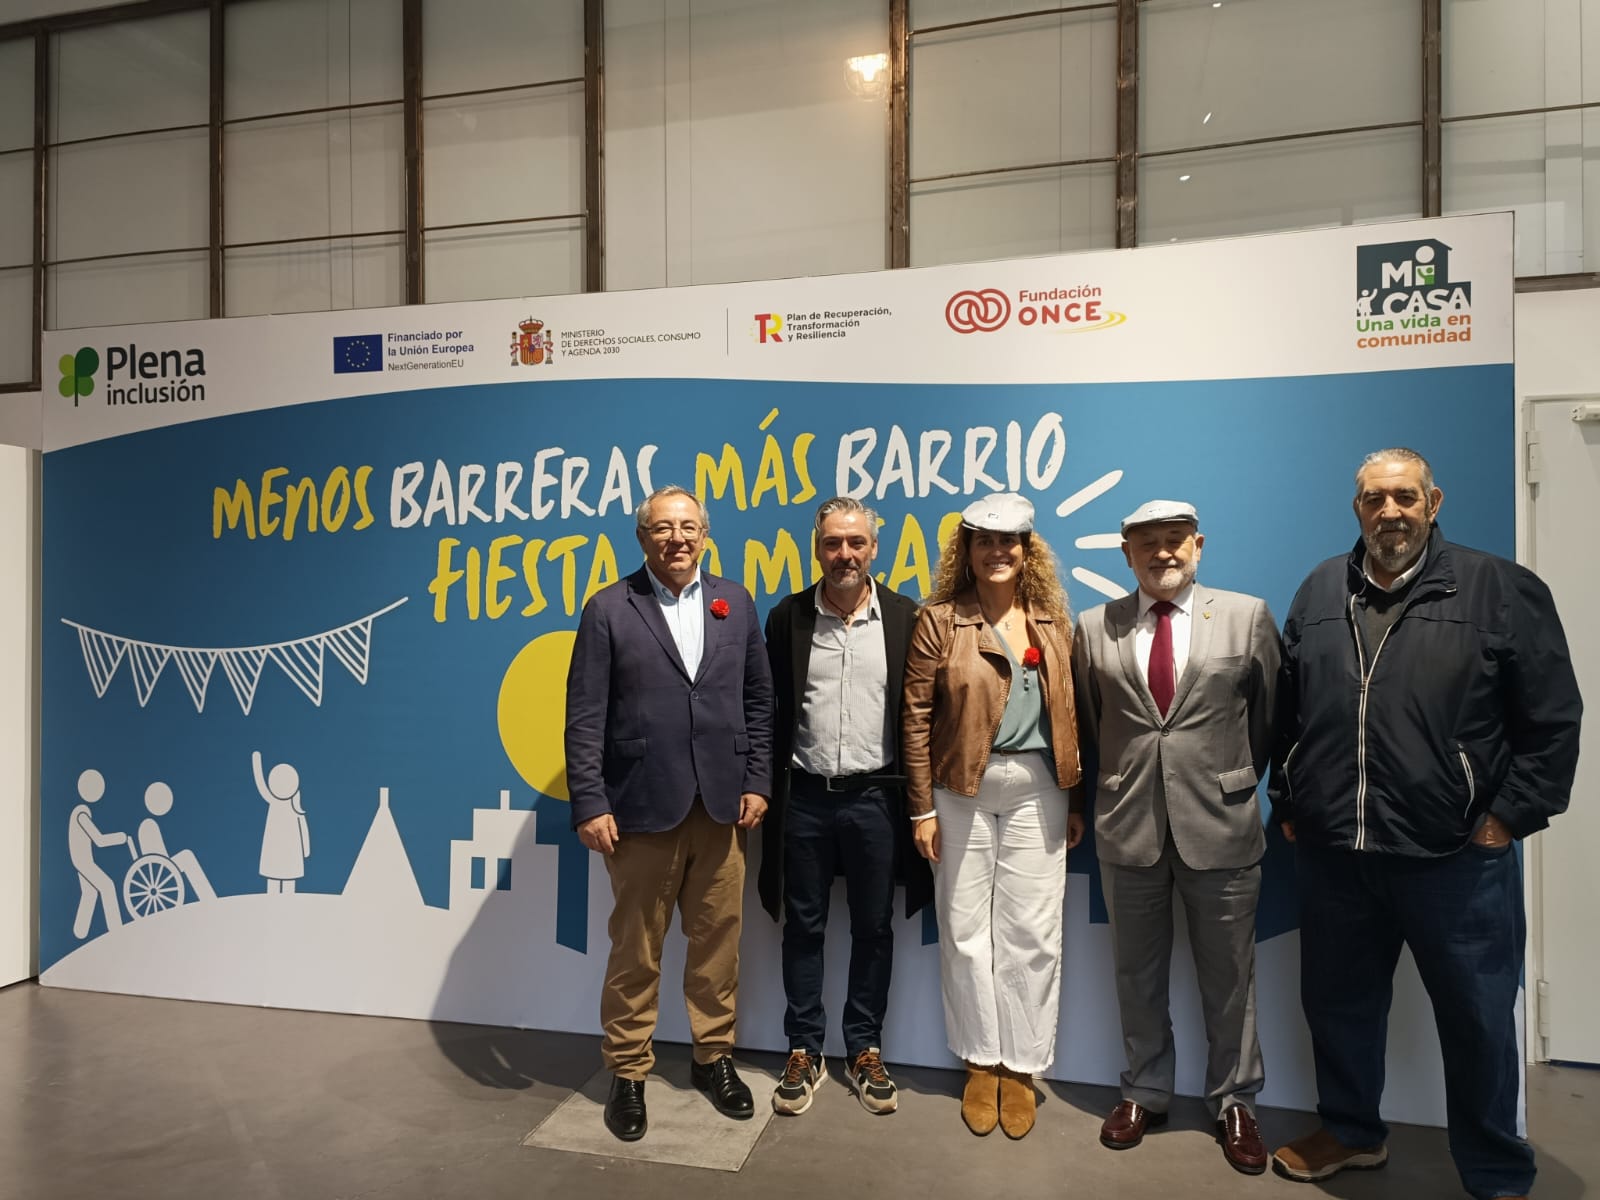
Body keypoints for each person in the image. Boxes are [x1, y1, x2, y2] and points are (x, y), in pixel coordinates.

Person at [1269, 448, 1582, 1200]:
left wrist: (1508, 816)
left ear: (1433, 501)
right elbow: (1286, 712)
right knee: (1338, 1008)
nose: (1390, 513)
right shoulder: (1319, 590)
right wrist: (1289, 801)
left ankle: (1497, 1170)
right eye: (1375, 499)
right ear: (1357, 509)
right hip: (1339, 856)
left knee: (1477, 1022)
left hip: (1457, 861)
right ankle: (1351, 1133)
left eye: (1405, 497)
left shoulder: (1499, 588)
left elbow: (1553, 718)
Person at [1071, 500, 1279, 1175]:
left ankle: (1236, 1101)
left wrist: (1232, 778)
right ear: (1126, 555)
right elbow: (1092, 720)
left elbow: (1271, 716)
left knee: (1231, 977)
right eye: (1146, 544)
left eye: (1174, 541)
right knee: (1136, 973)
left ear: (1198, 546)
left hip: (1221, 827)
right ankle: (1145, 1091)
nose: (1162, 553)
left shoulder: (1246, 616)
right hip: (1128, 828)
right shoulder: (1094, 627)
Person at [565, 484, 775, 1143]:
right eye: (662, 528)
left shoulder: (735, 602)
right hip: (639, 810)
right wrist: (591, 800)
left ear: (705, 534)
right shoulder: (608, 609)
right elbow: (584, 716)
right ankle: (628, 1073)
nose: (676, 538)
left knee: (718, 946)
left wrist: (758, 780)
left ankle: (714, 1059)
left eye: (687, 526)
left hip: (721, 808)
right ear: (642, 538)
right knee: (637, 949)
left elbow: (759, 702)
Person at [901, 492, 1083, 1140]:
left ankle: (1022, 1066)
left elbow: (1074, 715)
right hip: (959, 787)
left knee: (1033, 932)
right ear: (967, 552)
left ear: (1027, 552)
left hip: (1040, 787)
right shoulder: (939, 620)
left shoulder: (1055, 622)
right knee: (964, 926)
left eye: (1011, 543)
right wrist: (921, 807)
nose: (998, 552)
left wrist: (1075, 798)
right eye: (985, 541)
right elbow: (916, 717)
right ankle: (981, 1060)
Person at [760, 496, 932, 1117]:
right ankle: (804, 1049)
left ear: (874, 549)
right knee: (802, 928)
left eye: (856, 543)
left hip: (876, 801)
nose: (845, 555)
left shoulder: (908, 617)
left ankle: (864, 1048)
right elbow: (767, 712)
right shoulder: (788, 618)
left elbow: (923, 716)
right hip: (804, 799)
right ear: (817, 547)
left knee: (874, 928)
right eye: (833, 543)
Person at [69, 768, 133, 939]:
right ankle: (117, 932)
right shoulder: (82, 814)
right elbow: (99, 840)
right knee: (107, 886)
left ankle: (79, 933)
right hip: (83, 861)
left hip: (82, 860)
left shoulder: (81, 811)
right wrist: (121, 837)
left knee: (90, 893)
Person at [253, 751, 309, 894]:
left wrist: (306, 850)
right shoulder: (275, 803)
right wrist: (256, 762)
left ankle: (287, 907)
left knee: (289, 884)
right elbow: (261, 785)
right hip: (275, 852)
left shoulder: (294, 807)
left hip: (290, 853)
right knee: (273, 882)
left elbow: (303, 828)